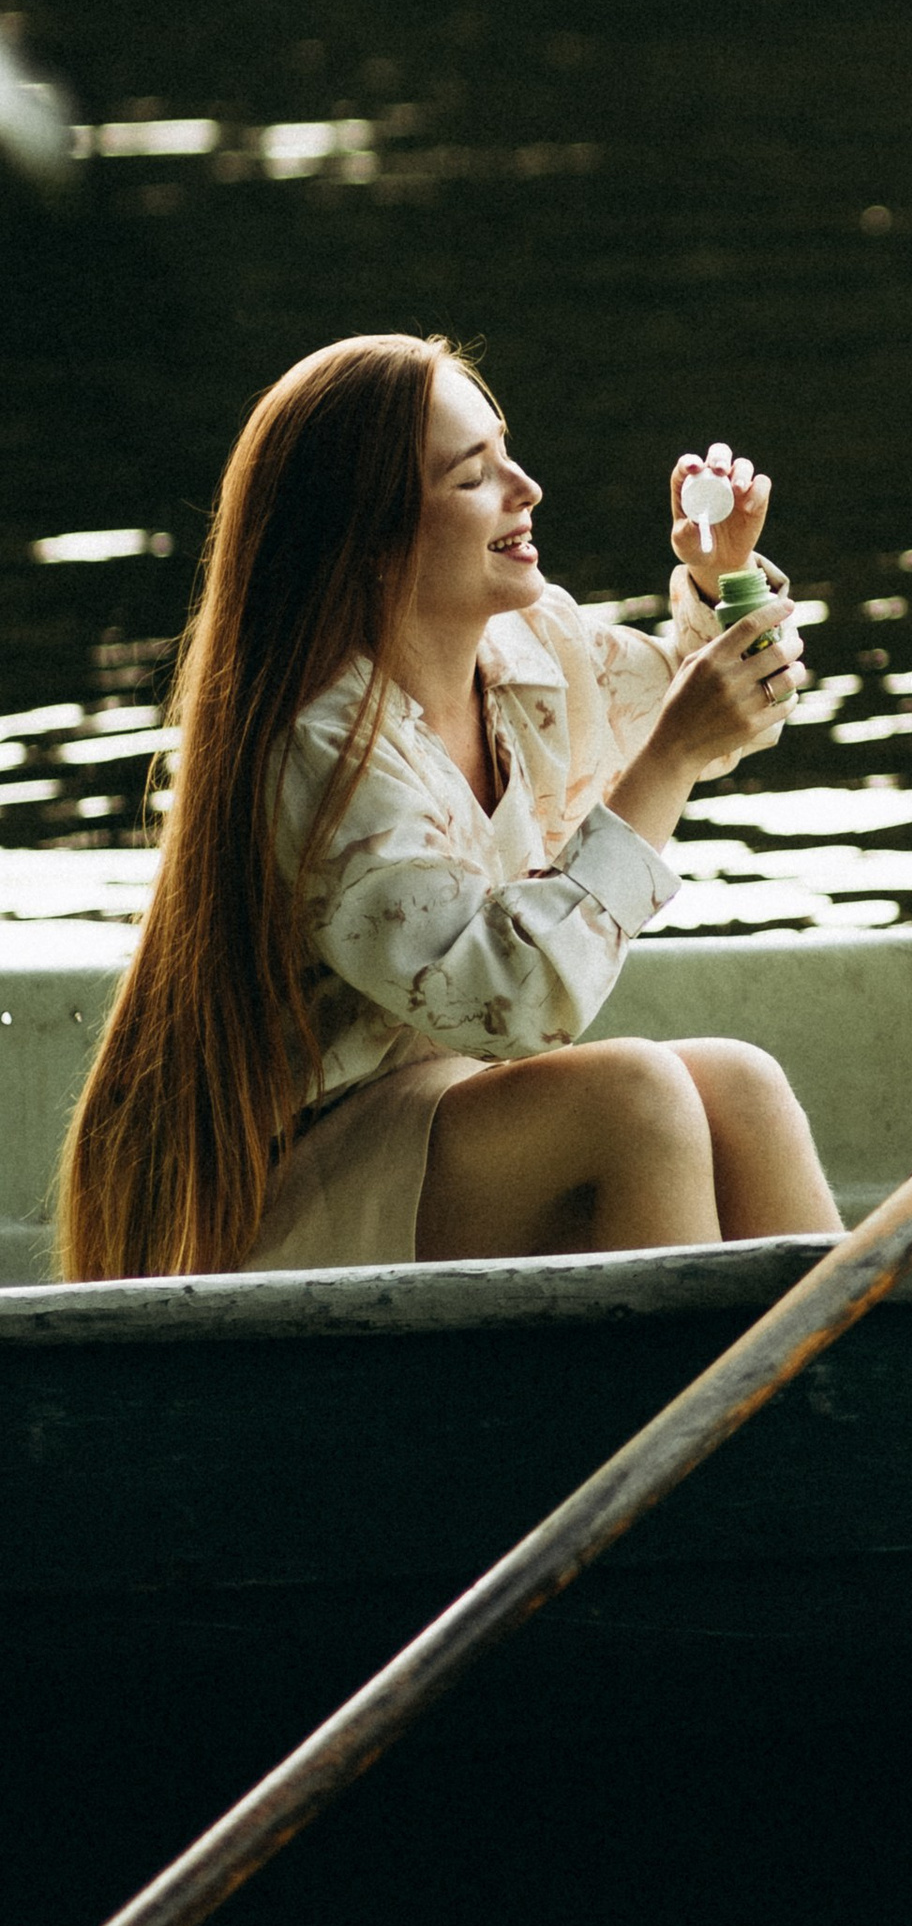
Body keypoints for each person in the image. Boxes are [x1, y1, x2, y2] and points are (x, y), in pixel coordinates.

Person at [57, 334, 842, 1279]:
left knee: (742, 1087)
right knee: (636, 1099)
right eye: (474, 476)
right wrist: (671, 752)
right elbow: (509, 1004)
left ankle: (838, 1413)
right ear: (371, 539)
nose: (527, 488)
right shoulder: (321, 752)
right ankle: (671, 1421)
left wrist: (728, 583)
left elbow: (706, 705)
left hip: (453, 1128)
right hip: (287, 1196)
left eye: (506, 451)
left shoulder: (525, 646)